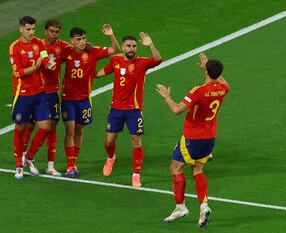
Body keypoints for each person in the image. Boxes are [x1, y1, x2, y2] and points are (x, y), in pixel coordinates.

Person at [156, 53, 229, 227]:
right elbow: (225, 82)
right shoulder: (222, 89)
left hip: (192, 138)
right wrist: (210, 69)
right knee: (198, 170)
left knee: (175, 167)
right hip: (209, 139)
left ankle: (180, 207)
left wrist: (166, 96)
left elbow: (176, 110)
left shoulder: (198, 91)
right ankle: (204, 206)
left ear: (206, 73)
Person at [96, 33, 162, 187]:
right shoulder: (115, 60)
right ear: (123, 47)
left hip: (134, 110)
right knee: (109, 141)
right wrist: (86, 75)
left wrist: (150, 45)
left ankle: (136, 175)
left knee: (137, 142)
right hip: (116, 109)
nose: (131, 49)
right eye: (128, 46)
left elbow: (158, 59)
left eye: (134, 46)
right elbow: (102, 72)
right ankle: (111, 158)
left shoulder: (142, 62)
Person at [61, 25, 120, 177]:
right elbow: (49, 52)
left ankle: (74, 161)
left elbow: (115, 50)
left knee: (79, 130)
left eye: (84, 38)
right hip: (68, 99)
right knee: (70, 129)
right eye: (78, 39)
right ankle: (70, 165)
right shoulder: (66, 51)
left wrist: (111, 35)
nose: (82, 42)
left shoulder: (92, 52)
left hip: (85, 99)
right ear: (72, 41)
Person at [8, 16, 56, 179]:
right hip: (22, 95)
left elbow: (43, 56)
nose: (31, 32)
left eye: (33, 29)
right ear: (21, 29)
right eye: (28, 29)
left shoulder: (39, 43)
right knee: (20, 129)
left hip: (39, 93)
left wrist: (48, 63)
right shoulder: (14, 47)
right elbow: (18, 72)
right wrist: (35, 67)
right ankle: (18, 165)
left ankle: (29, 157)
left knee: (45, 127)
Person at [21, 19, 70, 177]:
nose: (54, 34)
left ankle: (50, 165)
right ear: (45, 31)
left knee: (52, 128)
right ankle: (24, 157)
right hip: (36, 92)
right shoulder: (38, 46)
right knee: (30, 125)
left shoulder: (62, 46)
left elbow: (75, 51)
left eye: (57, 32)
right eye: (52, 31)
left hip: (52, 94)